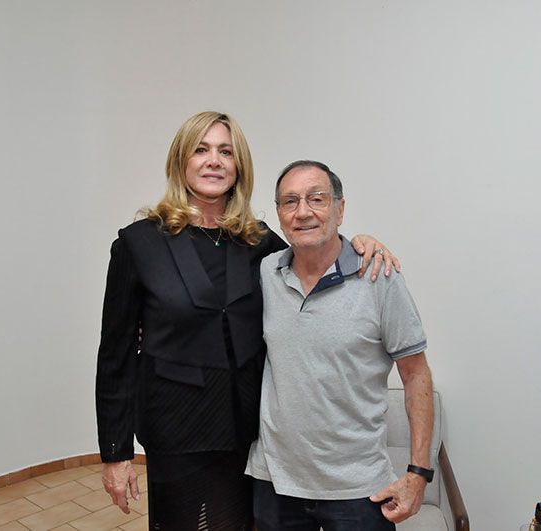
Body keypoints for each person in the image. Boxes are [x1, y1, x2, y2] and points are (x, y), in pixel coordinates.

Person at [95, 112, 399, 530]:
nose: (213, 161)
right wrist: (115, 452)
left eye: (226, 151)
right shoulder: (139, 244)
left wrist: (362, 245)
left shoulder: (258, 241)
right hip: (175, 435)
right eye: (201, 150)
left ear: (239, 166)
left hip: (247, 438)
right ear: (180, 161)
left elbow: (314, 249)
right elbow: (115, 357)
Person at [246, 160, 435, 530]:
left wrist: (418, 473)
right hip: (275, 483)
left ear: (340, 209)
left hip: (359, 490)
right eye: (290, 201)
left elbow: (416, 375)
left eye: (317, 198)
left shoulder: (378, 276)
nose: (303, 212)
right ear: (279, 214)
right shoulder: (266, 272)